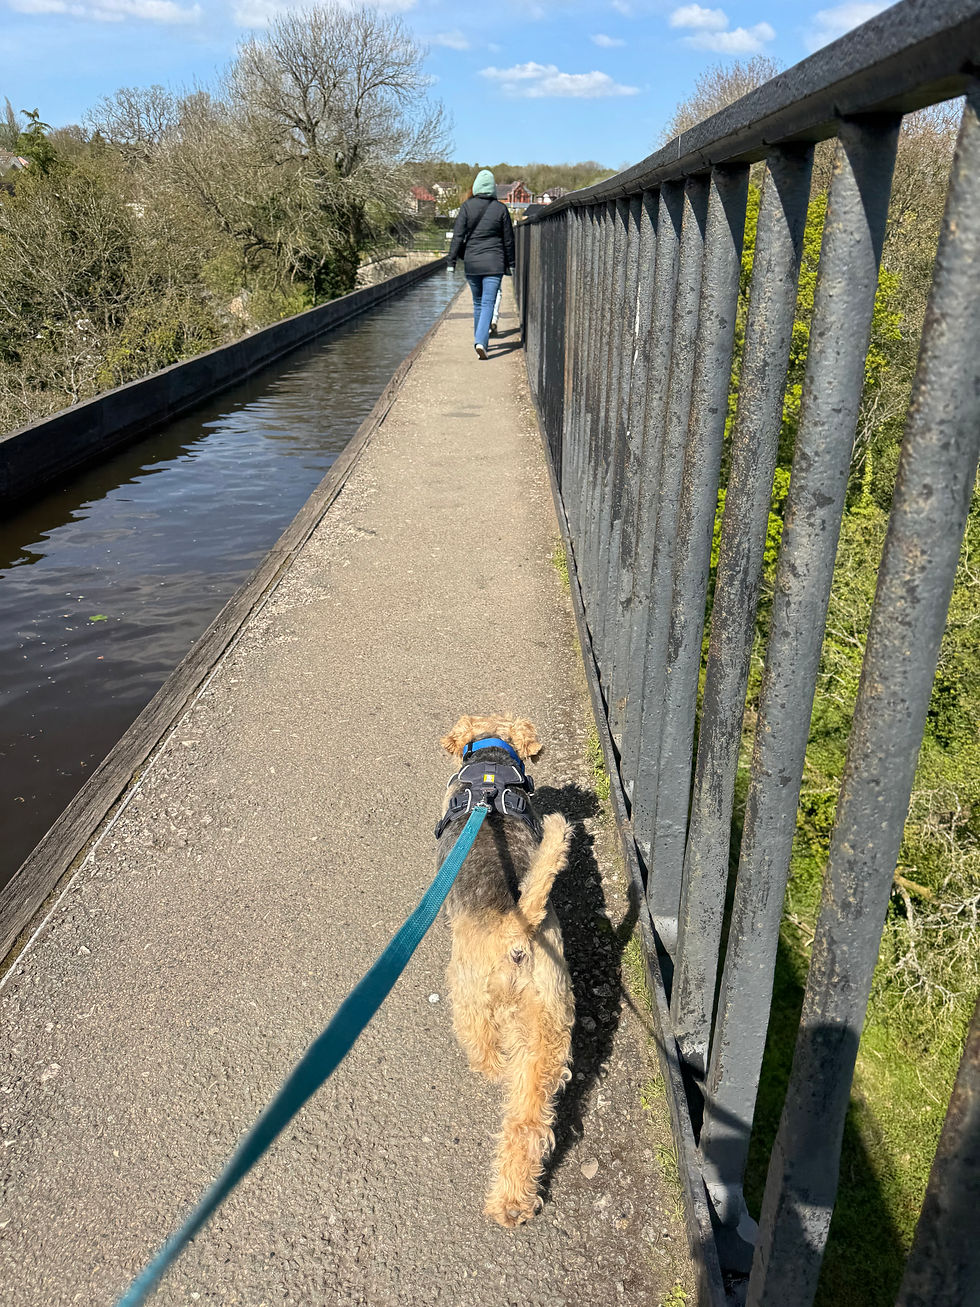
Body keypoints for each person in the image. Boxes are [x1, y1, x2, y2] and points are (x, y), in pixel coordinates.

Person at [448, 169, 515, 360]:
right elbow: (508, 240)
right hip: (494, 263)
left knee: (478, 303)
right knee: (488, 303)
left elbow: (458, 236)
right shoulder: (500, 209)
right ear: (493, 188)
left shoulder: (466, 207)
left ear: (477, 186)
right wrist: (512, 263)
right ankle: (481, 341)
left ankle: (479, 340)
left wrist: (451, 261)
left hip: (472, 263)